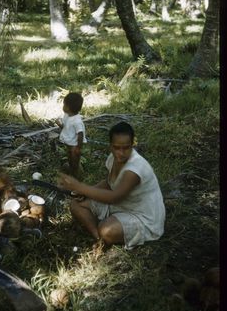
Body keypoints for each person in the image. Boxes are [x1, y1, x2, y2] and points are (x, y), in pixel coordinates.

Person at [58, 121, 165, 250]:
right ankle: (98, 238)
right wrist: (85, 192)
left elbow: (115, 197)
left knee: (107, 230)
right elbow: (109, 183)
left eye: (126, 148)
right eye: (116, 148)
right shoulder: (112, 158)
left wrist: (80, 187)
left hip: (142, 216)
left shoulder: (135, 168)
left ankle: (104, 234)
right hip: (121, 206)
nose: (121, 153)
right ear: (110, 146)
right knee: (76, 204)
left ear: (132, 145)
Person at [55, 92, 87, 178]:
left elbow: (80, 134)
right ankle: (71, 169)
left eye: (64, 104)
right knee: (69, 158)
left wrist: (78, 148)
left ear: (69, 107)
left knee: (75, 160)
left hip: (75, 146)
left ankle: (76, 175)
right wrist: (59, 125)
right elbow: (66, 128)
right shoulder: (67, 116)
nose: (63, 106)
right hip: (69, 144)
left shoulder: (77, 121)